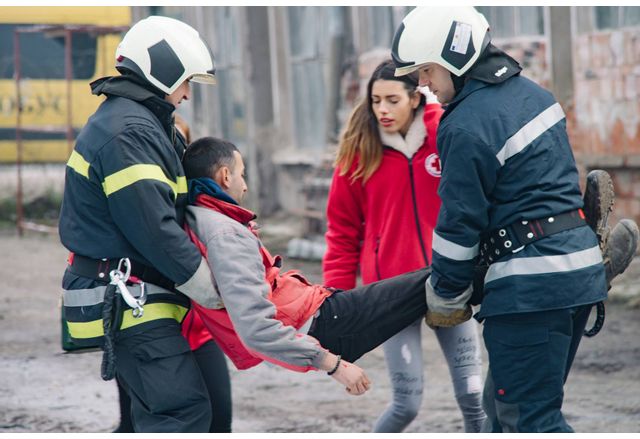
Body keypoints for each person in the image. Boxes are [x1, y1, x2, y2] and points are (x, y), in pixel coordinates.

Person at [391, 6, 639, 432]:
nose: (423, 85)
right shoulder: (537, 97)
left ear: (456, 60)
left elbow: (459, 221)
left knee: (530, 422)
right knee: (499, 419)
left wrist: (446, 294)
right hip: (573, 277)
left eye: (426, 71)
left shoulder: (465, 125)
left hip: (529, 291)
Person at [180, 136, 454, 396]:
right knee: (436, 277)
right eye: (242, 174)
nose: (246, 185)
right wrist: (333, 365)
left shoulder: (202, 217)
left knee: (428, 280)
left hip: (318, 312)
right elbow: (255, 329)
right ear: (225, 176)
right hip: (321, 325)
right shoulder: (225, 234)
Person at [59, 16, 225, 432]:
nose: (187, 95)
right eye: (185, 81)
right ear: (162, 71)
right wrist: (214, 289)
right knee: (180, 413)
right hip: (129, 299)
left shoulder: (142, 124)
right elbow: (156, 230)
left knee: (151, 418)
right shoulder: (128, 133)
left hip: (136, 295)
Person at [322, 59, 485, 432]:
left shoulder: (445, 133)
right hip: (391, 291)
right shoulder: (358, 153)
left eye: (392, 100)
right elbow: (342, 233)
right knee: (406, 404)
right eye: (376, 100)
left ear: (415, 98)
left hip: (447, 279)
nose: (382, 109)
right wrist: (338, 299)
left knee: (474, 397)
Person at [113, 115, 233, 433]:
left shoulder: (201, 201)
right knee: (138, 424)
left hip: (198, 328)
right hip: (145, 327)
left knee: (219, 419)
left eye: (175, 142)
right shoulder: (129, 197)